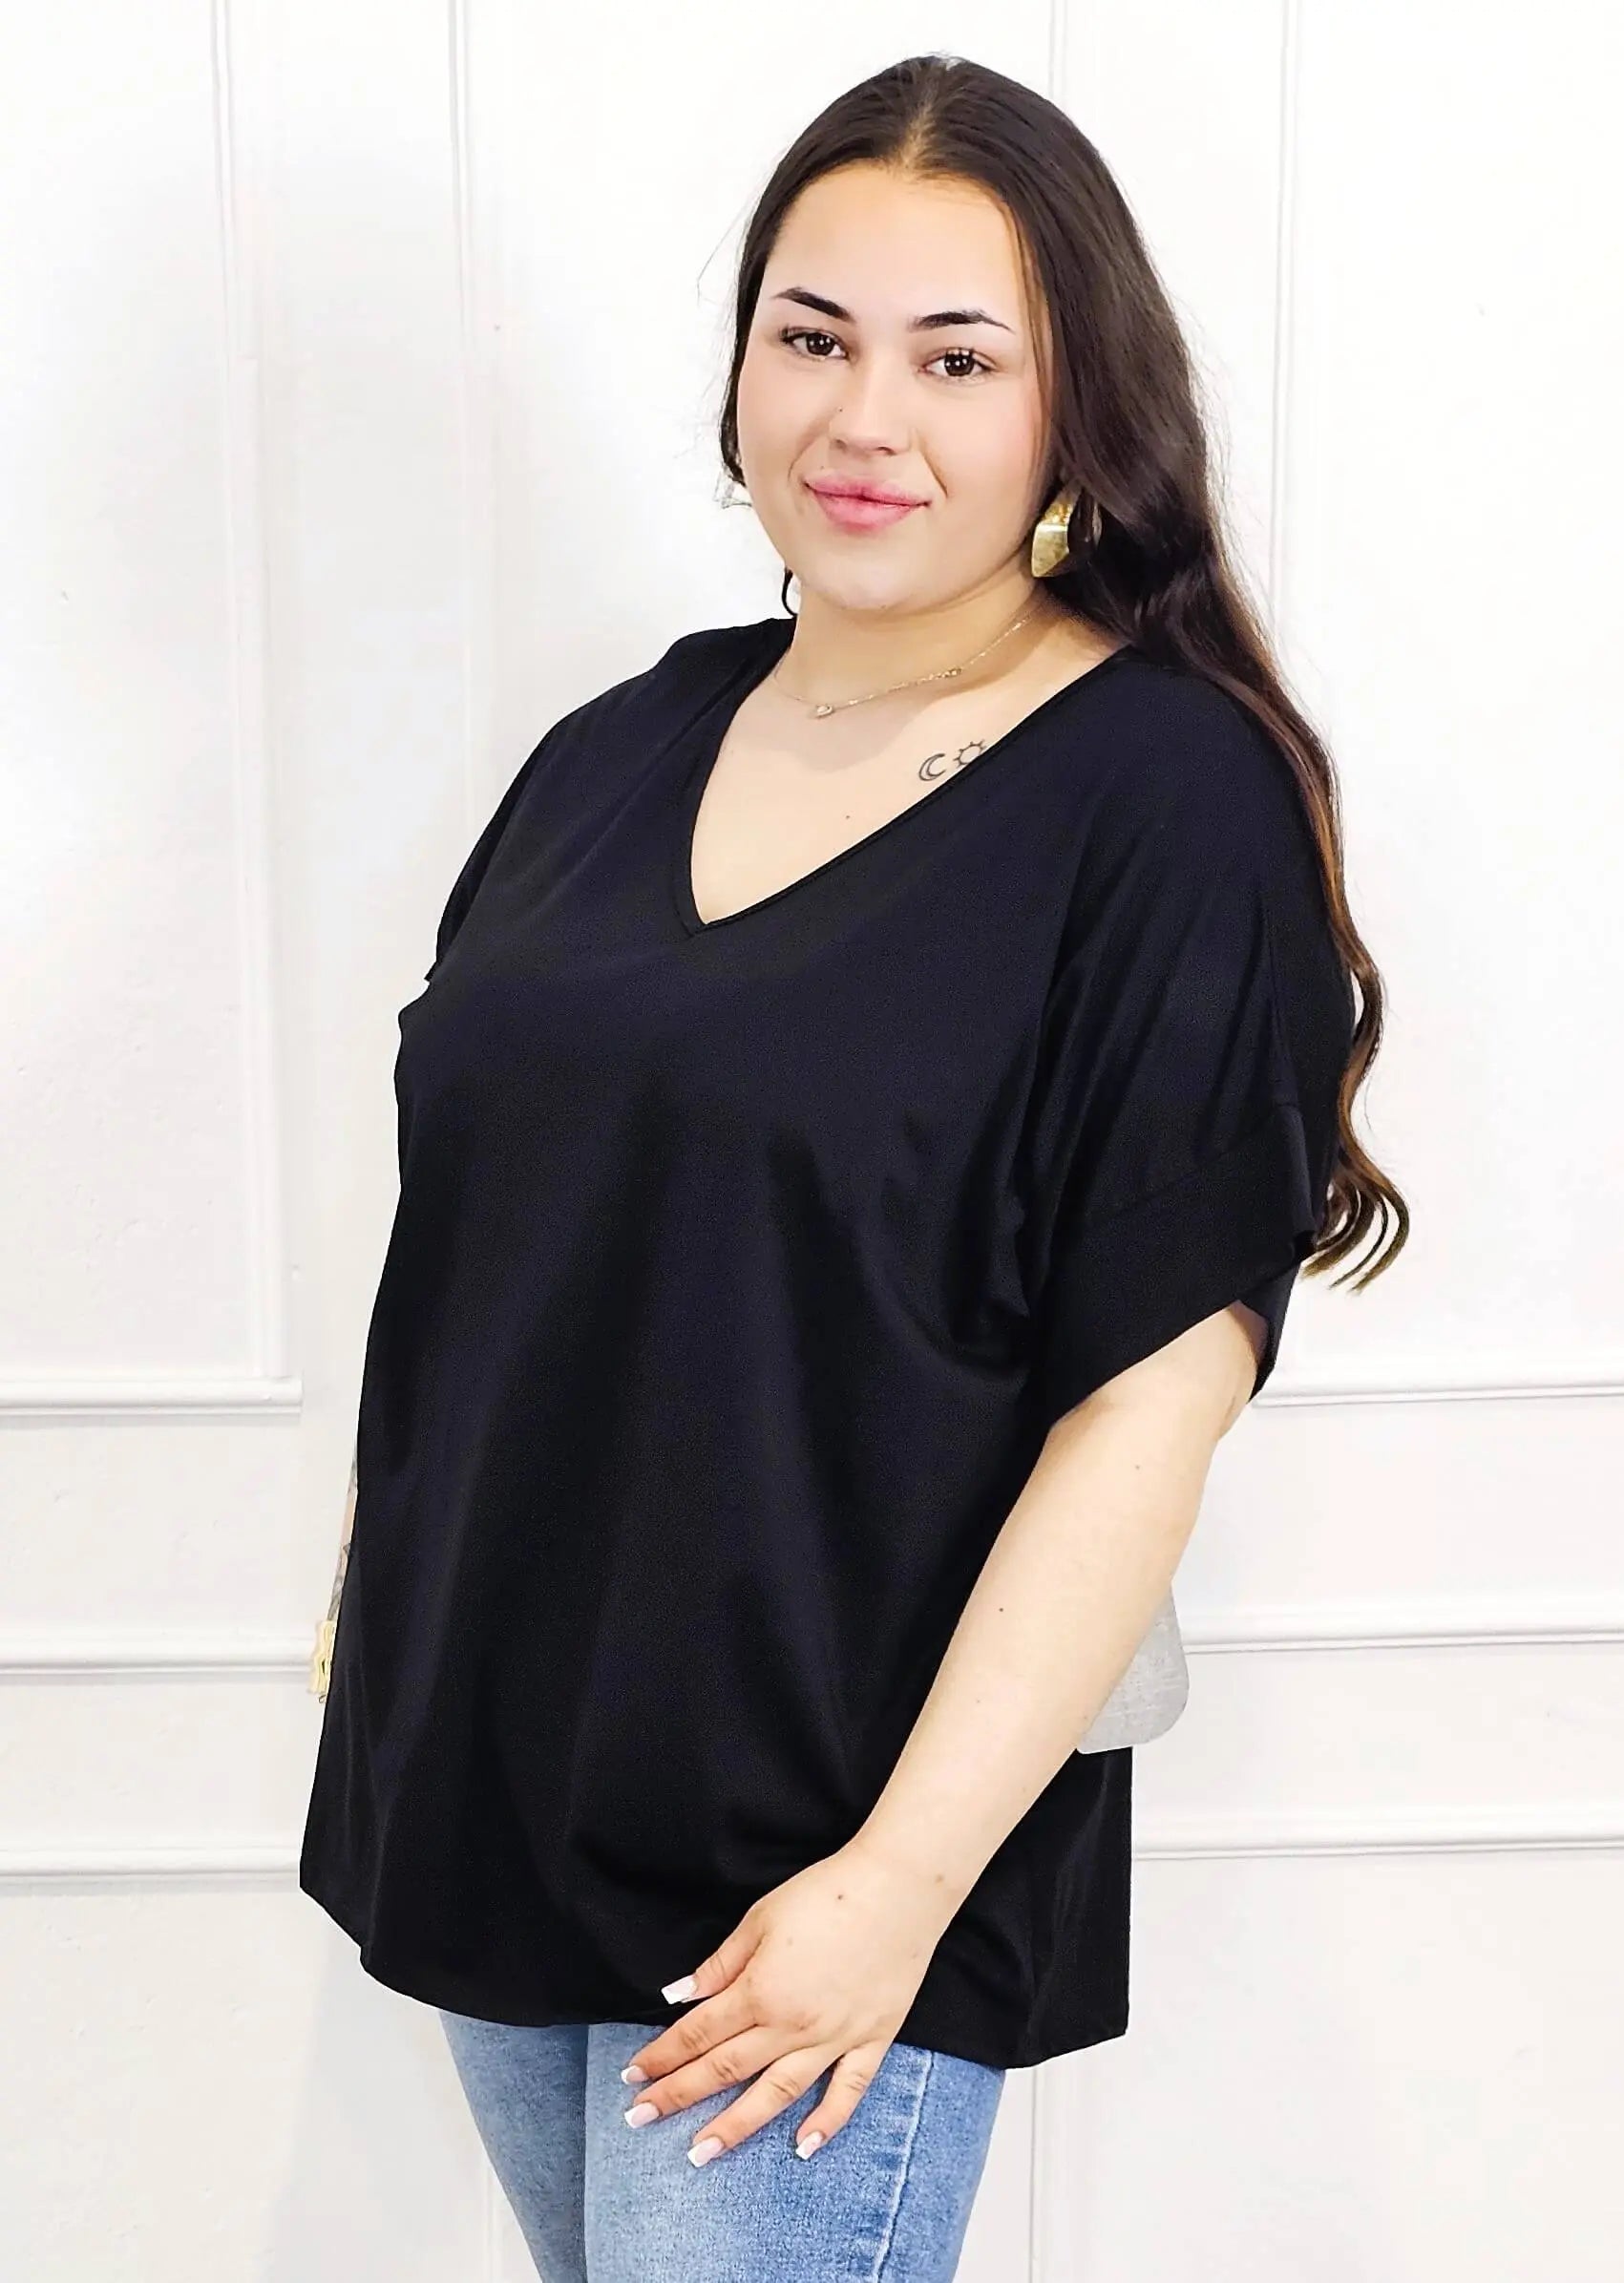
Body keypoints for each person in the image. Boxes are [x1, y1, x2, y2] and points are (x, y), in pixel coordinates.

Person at [299, 51, 1407, 2283]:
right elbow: (490, 1258)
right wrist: (380, 1636)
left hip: (828, 1865)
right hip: (495, 1787)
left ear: (1077, 408)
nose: (862, 416)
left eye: (956, 358)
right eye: (811, 337)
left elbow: (1150, 1399)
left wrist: (897, 1884)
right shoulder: (613, 752)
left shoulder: (1163, 797)